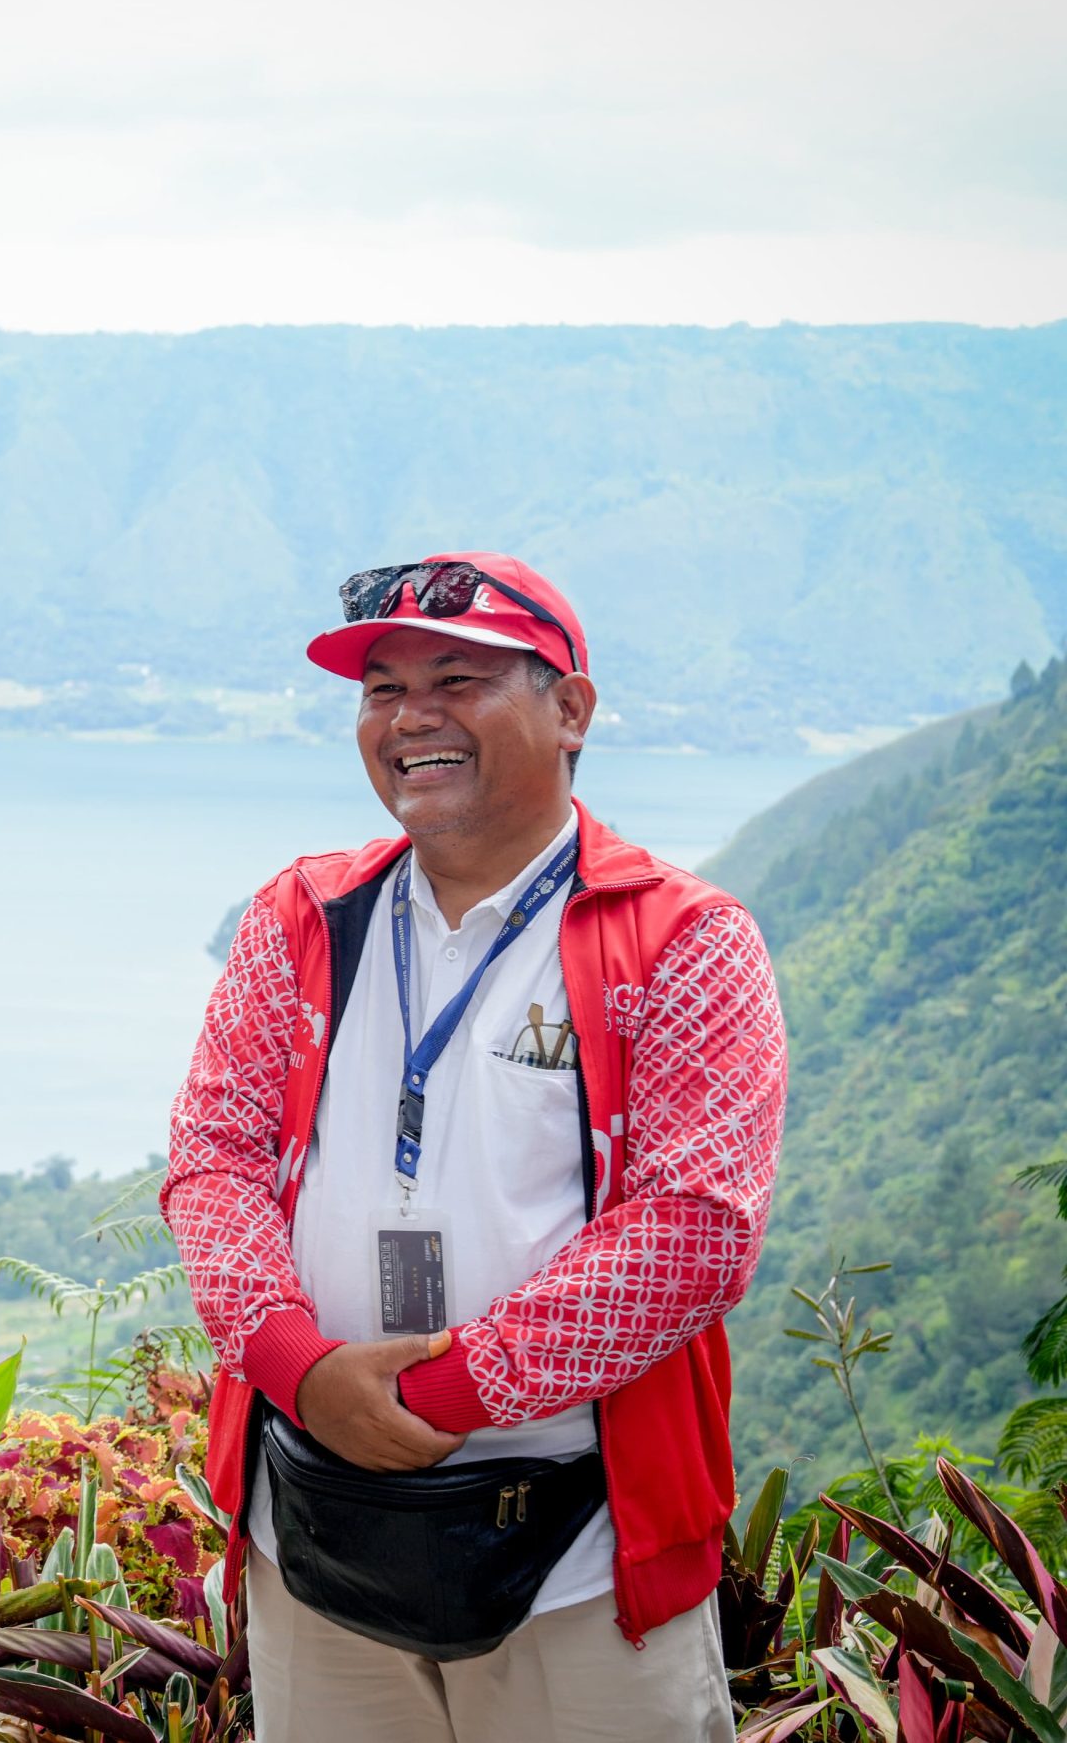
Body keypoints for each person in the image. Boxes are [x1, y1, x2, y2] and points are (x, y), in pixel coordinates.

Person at [162, 554, 787, 1740]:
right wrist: (301, 1372)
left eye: (457, 680)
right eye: (382, 690)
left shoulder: (678, 938)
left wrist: (443, 1392)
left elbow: (695, 1231)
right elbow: (212, 1162)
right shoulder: (301, 917)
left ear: (570, 710)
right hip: (321, 1523)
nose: (411, 718)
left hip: (582, 1550)